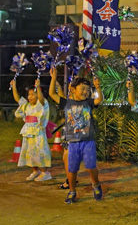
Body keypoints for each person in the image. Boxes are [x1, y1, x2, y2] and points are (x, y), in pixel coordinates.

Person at [48, 74, 104, 204]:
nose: (85, 91)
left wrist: (98, 88)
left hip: (88, 141)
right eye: (82, 88)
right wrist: (54, 77)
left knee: (91, 167)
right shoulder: (67, 103)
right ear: (72, 89)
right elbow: (52, 93)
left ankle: (96, 185)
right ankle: (72, 191)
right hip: (73, 143)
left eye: (87, 89)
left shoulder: (88, 102)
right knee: (72, 169)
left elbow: (99, 99)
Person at [11, 78, 52, 182]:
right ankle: (35, 171)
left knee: (39, 152)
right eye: (28, 95)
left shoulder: (42, 104)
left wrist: (37, 87)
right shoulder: (27, 106)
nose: (30, 97)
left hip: (38, 133)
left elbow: (41, 100)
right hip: (28, 133)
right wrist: (14, 87)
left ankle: (45, 173)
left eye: (32, 94)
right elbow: (18, 99)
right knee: (29, 152)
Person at [49, 68, 75, 189]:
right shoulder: (68, 102)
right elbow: (58, 95)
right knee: (66, 158)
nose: (69, 87)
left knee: (68, 158)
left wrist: (54, 79)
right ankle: (70, 179)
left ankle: (71, 182)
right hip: (68, 133)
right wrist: (55, 81)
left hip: (77, 134)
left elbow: (53, 95)